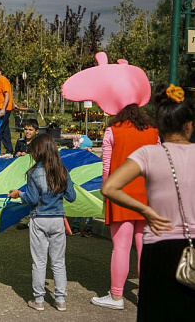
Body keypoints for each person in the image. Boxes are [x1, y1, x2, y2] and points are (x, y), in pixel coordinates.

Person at [101, 84, 195, 321]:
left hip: (156, 239)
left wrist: (144, 208)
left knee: (121, 248)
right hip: (189, 244)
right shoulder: (150, 136)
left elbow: (109, 184)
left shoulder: (145, 153)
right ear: (189, 125)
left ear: (161, 125)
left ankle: (116, 295)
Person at [91, 104, 159, 310]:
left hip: (120, 194)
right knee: (144, 248)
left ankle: (116, 296)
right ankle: (145, 295)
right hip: (148, 195)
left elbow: (106, 165)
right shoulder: (154, 133)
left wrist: (106, 193)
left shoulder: (112, 131)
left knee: (120, 246)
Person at [8, 133, 76, 312]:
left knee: (39, 262)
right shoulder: (62, 170)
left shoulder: (33, 172)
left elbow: (32, 198)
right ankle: (60, 300)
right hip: (57, 220)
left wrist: (18, 194)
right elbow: (71, 197)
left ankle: (39, 300)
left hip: (39, 220)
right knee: (58, 262)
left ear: (37, 152)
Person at [14, 119, 40, 230]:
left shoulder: (39, 143)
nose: (27, 132)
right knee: (24, 193)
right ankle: (24, 216)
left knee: (33, 195)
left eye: (30, 129)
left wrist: (29, 155)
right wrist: (17, 154)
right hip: (21, 174)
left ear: (36, 131)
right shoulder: (20, 141)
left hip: (35, 173)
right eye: (25, 129)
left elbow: (40, 156)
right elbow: (13, 156)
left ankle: (31, 218)